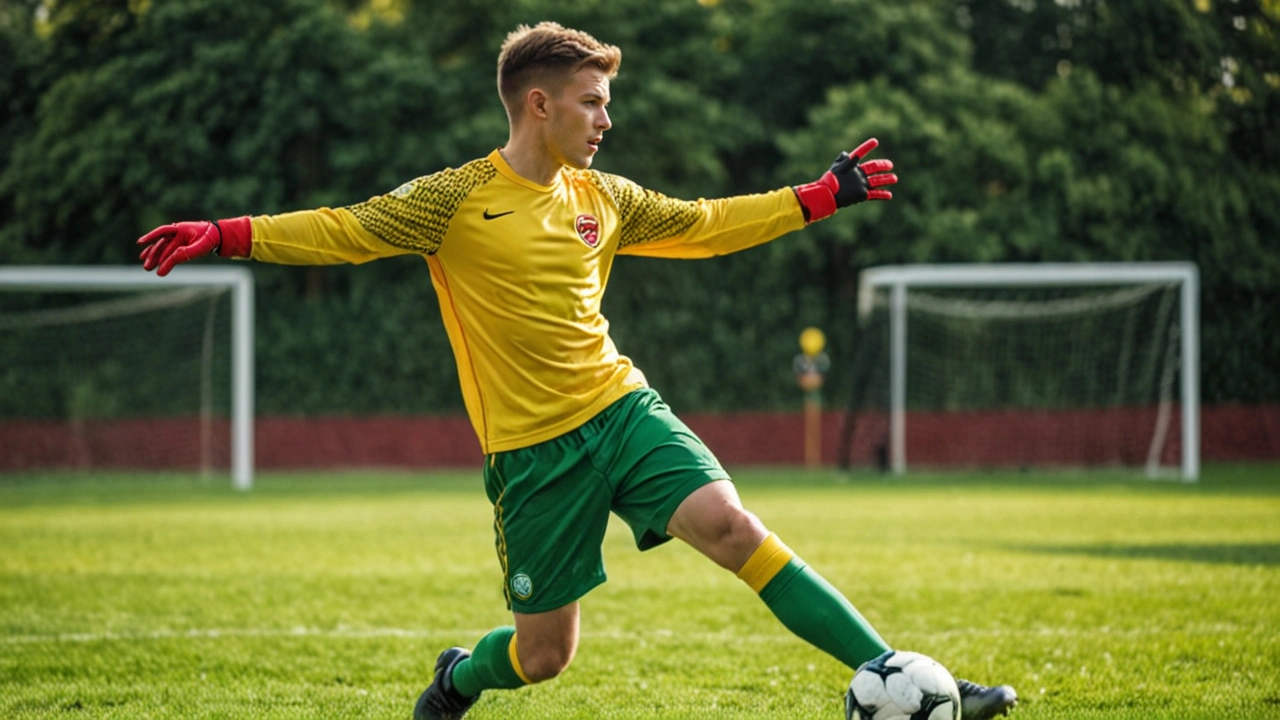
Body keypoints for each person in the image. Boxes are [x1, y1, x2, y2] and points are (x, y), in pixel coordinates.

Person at [137, 21, 1016, 720]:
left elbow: (704, 222)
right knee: (543, 656)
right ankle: (461, 677)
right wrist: (228, 233)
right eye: (593, 103)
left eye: (607, 104)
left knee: (734, 526)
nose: (607, 120)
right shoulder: (452, 200)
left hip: (620, 406)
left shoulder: (607, 197)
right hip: (529, 454)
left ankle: (897, 676)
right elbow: (342, 228)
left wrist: (816, 198)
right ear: (539, 104)